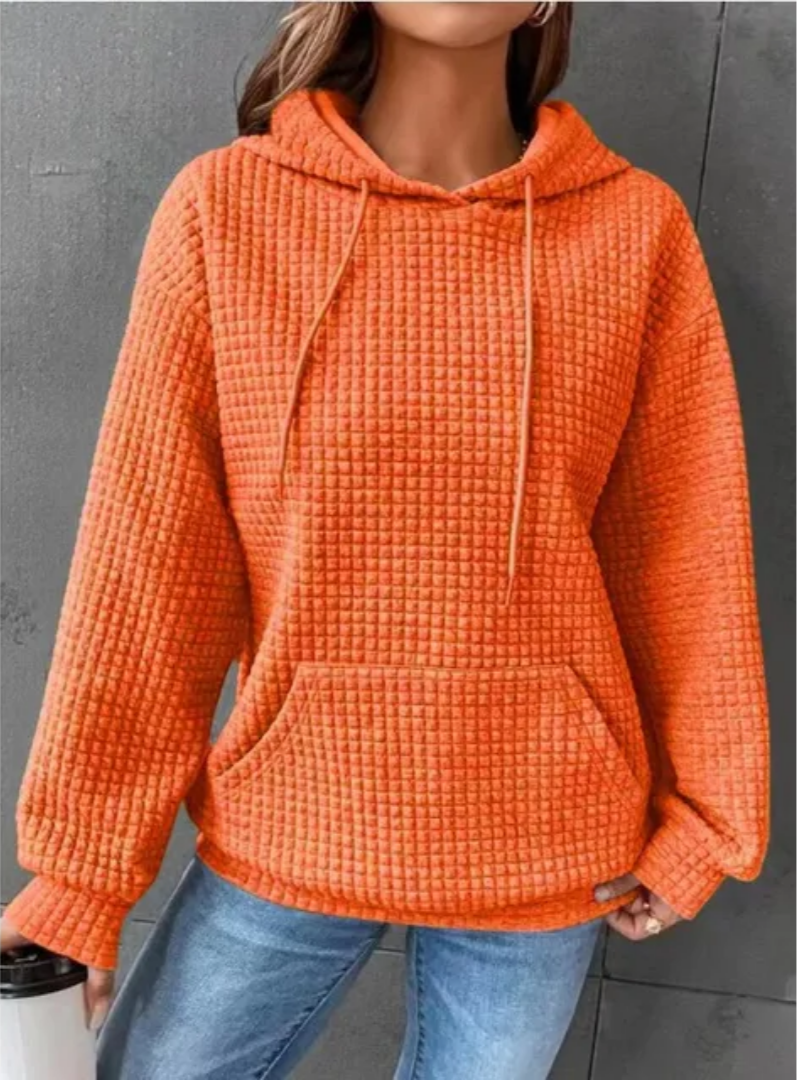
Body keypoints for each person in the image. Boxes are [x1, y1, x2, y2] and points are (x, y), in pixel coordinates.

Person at [1, 3, 771, 1079]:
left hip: (543, 836)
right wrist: (81, 872)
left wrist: (706, 816)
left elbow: (683, 544)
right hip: (295, 817)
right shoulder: (227, 212)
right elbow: (149, 561)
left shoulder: (632, 230)